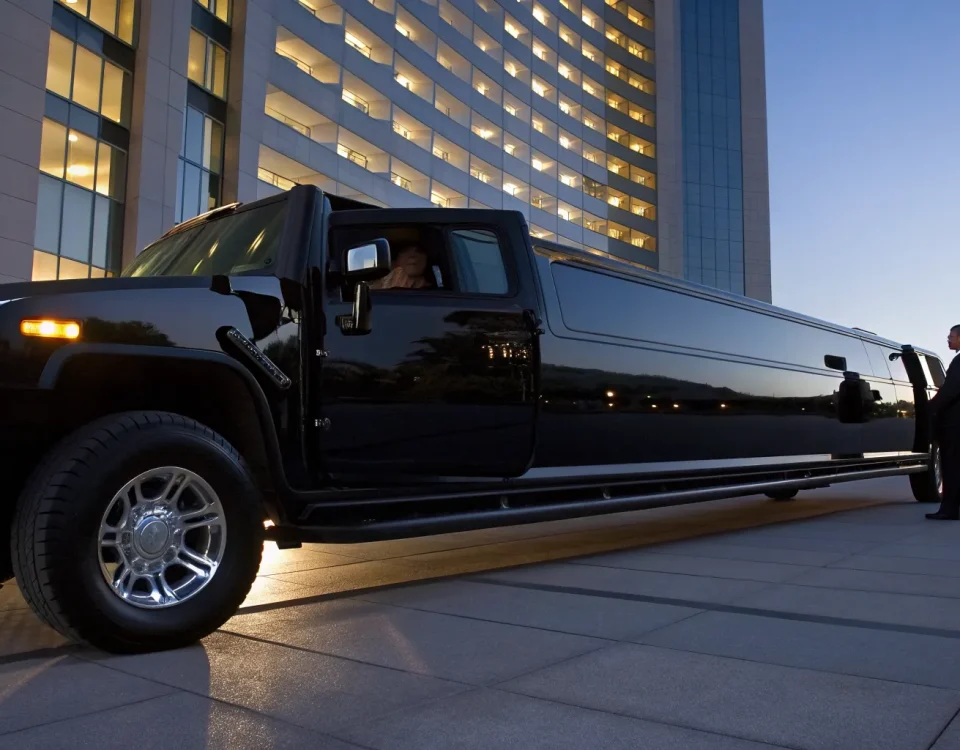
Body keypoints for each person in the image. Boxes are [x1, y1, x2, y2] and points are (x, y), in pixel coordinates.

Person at [926, 324, 960, 520]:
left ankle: (949, 509)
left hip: (955, 424)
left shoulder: (959, 361)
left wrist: (930, 407)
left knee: (952, 466)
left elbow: (950, 390)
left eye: (951, 336)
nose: (948, 339)